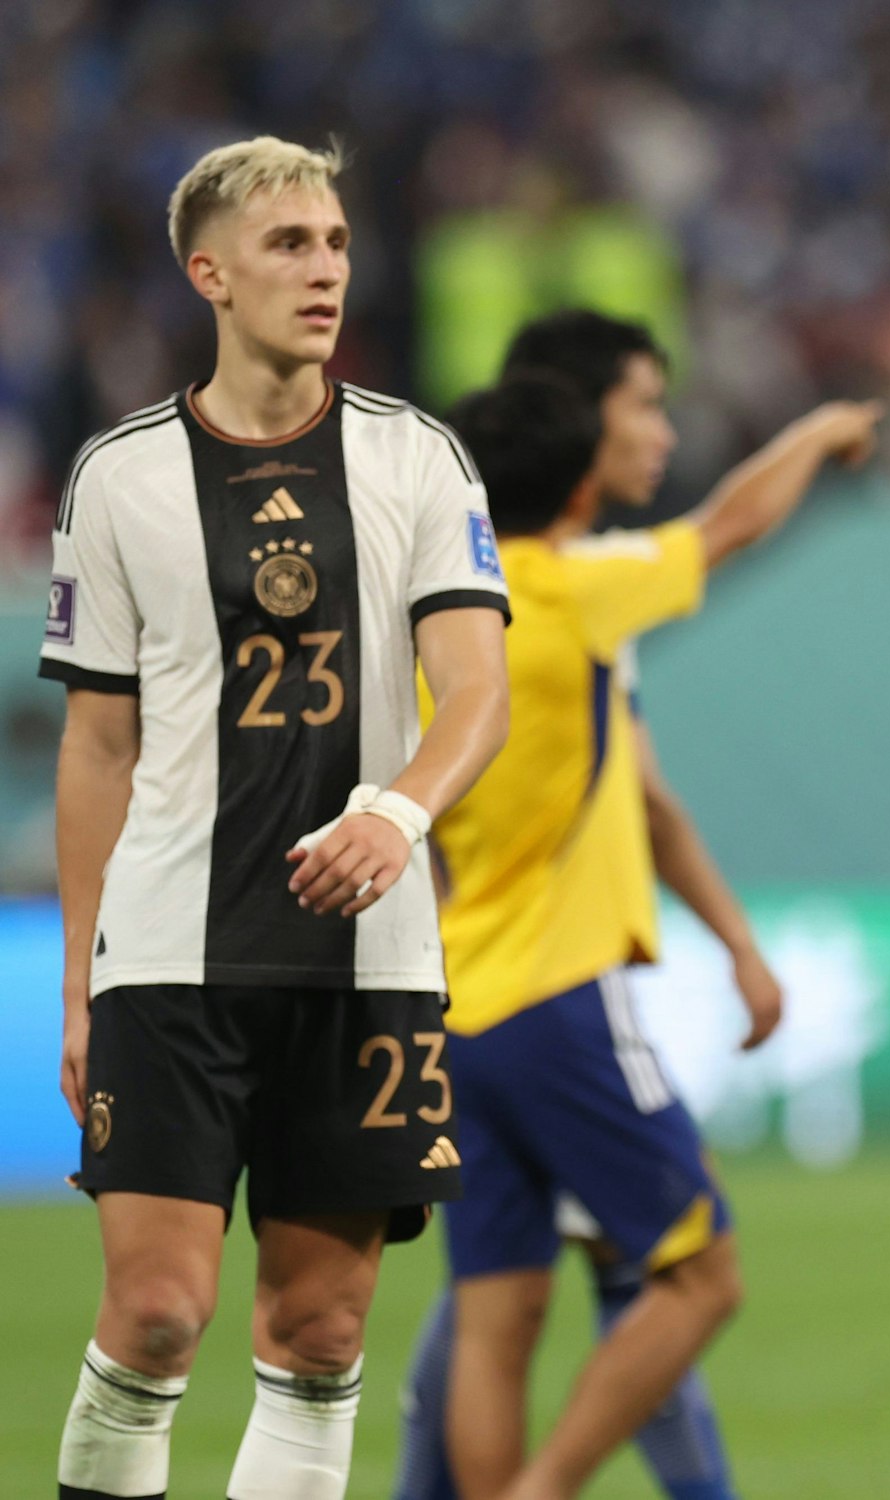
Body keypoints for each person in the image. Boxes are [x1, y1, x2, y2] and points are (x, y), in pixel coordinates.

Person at [45, 137, 511, 1500]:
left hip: (367, 967)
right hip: (171, 959)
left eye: (337, 243)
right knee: (158, 1314)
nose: (325, 270)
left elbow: (478, 689)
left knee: (318, 1332)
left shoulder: (419, 459)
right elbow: (99, 744)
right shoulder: (120, 476)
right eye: (290, 246)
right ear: (211, 273)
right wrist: (80, 981)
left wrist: (399, 815)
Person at [391, 310, 875, 1500]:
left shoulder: (436, 614)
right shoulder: (570, 590)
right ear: (573, 460)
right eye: (645, 408)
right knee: (700, 1279)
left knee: (494, 1312)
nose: (659, 432)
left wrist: (737, 945)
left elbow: (647, 803)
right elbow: (728, 529)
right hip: (563, 992)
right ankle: (541, 1488)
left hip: (462, 1000)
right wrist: (815, 432)